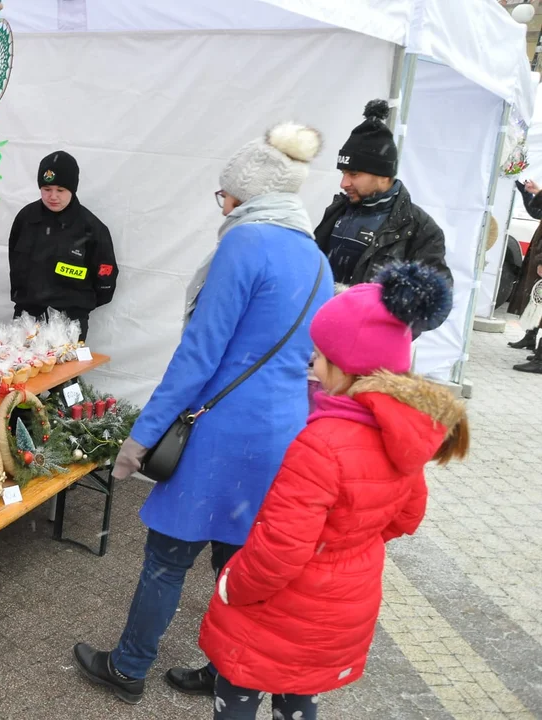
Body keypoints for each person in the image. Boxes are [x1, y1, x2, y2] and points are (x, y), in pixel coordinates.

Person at [71, 122, 333, 704]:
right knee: (238, 560)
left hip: (222, 431)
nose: (223, 205)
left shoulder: (243, 244)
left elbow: (199, 354)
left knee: (168, 556)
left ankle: (130, 666)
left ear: (242, 195)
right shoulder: (317, 259)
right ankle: (227, 667)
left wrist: (141, 437)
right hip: (282, 432)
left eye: (224, 194)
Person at [198, 263, 467, 720]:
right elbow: (406, 517)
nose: (313, 364)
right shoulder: (403, 433)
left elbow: (280, 551)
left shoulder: (321, 443)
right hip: (345, 601)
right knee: (300, 690)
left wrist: (232, 585)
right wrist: (343, 543)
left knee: (241, 684)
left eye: (320, 355)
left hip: (282, 605)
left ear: (349, 365)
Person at [315, 100, 452, 331]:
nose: (344, 182)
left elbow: (434, 303)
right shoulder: (336, 211)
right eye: (343, 173)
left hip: (368, 356)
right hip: (320, 339)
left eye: (353, 174)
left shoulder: (419, 228)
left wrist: (381, 335)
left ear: (382, 175)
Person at [8, 151, 117, 342]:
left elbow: (105, 276)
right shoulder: (26, 218)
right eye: (47, 189)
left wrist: (77, 307)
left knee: (65, 372)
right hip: (26, 318)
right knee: (21, 370)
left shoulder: (91, 228)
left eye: (60, 190)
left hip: (69, 324)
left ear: (72, 189)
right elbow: (14, 263)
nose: (53, 196)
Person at [506, 179, 542, 357]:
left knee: (539, 298)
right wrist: (530, 193)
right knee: (535, 298)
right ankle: (530, 335)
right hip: (538, 250)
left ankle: (540, 354)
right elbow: (537, 212)